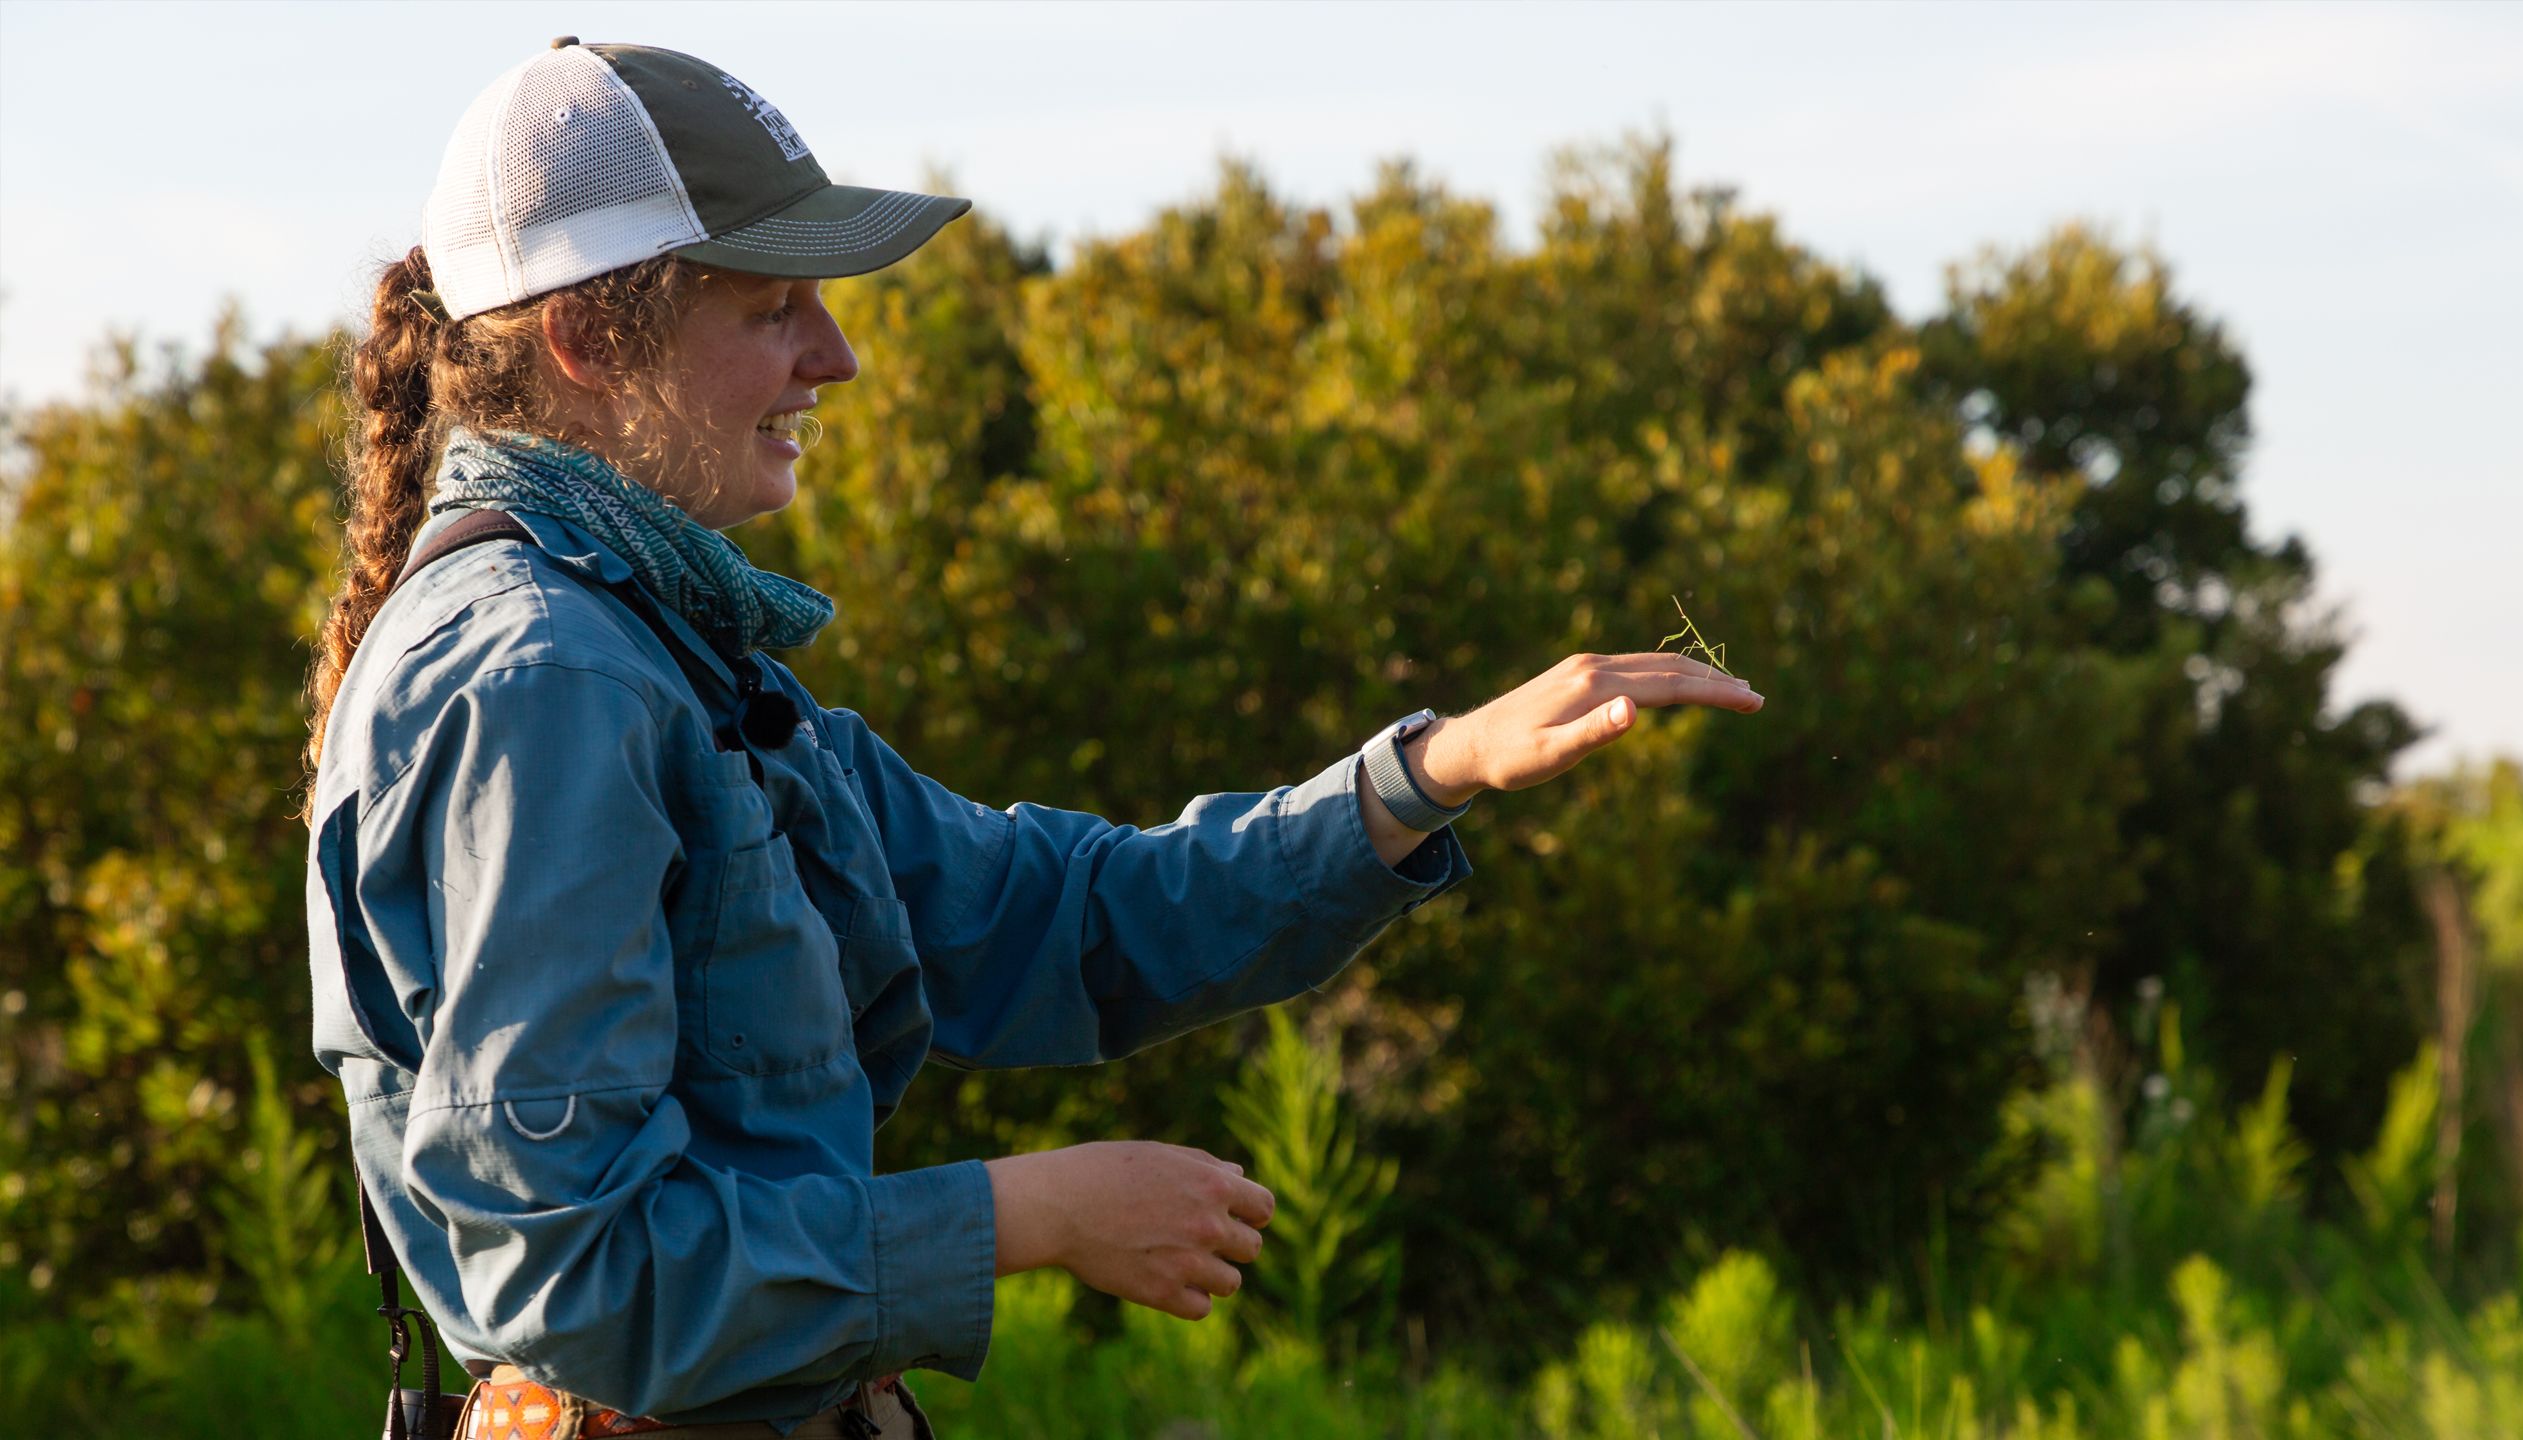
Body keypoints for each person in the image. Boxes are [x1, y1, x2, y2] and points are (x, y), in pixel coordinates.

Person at [301, 37, 1766, 1440]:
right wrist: (1031, 1215)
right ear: (582, 340)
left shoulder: (664, 655)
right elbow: (573, 1270)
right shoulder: (547, 680)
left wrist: (1419, 779)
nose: (840, 356)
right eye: (769, 310)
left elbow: (1060, 922)